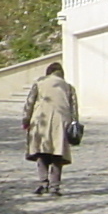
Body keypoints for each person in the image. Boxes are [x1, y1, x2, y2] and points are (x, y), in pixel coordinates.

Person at [21, 61, 78, 197]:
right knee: (58, 154)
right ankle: (55, 186)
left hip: (41, 120)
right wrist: (74, 125)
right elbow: (74, 109)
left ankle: (43, 183)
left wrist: (26, 120)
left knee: (42, 152)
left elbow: (29, 103)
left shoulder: (39, 84)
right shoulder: (68, 87)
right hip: (61, 122)